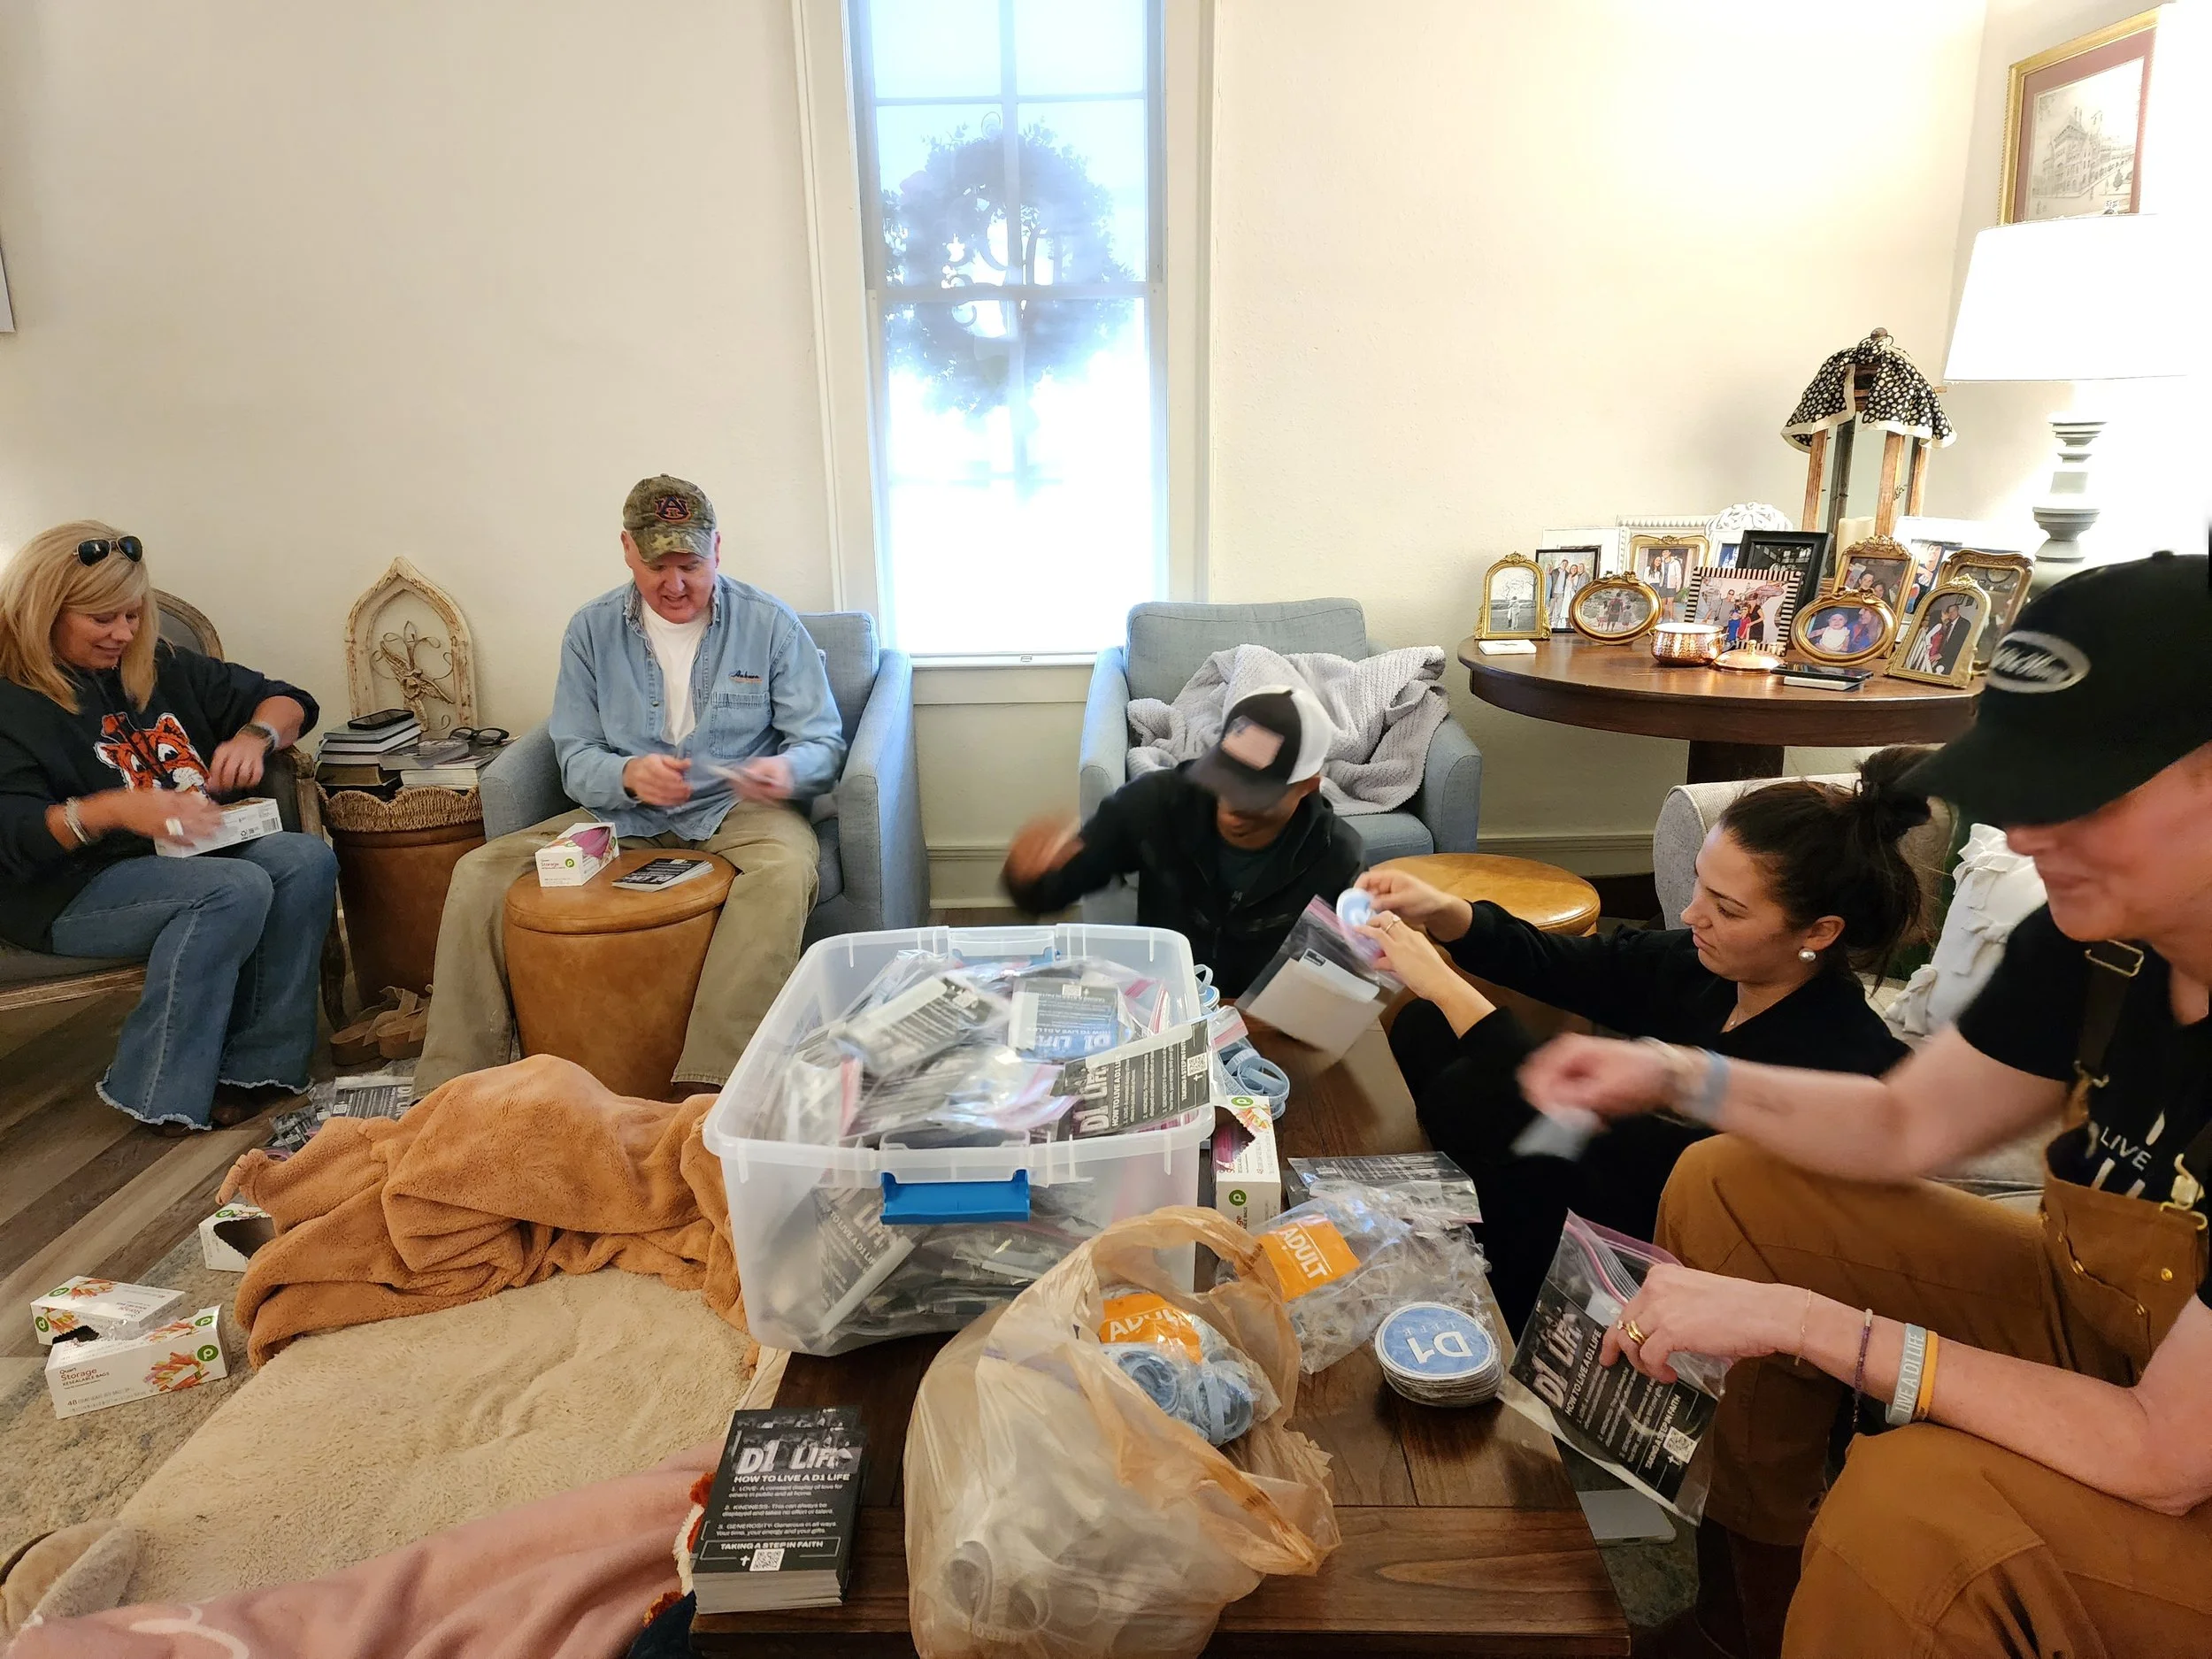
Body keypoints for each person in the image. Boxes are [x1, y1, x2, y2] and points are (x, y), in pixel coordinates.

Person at [1518, 553, 2212, 1659]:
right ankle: (1745, 1622)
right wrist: (1677, 1074)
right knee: (1731, 1181)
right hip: (2113, 1324)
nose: (2026, 837)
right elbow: (1903, 1123)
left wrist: (1807, 1323)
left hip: (2181, 1439)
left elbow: (2164, 1453)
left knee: (1916, 1508)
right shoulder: (2101, 941)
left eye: (2082, 793)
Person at [1357, 749, 1921, 1331]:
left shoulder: (1836, 1062)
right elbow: (1565, 963)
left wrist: (1447, 987)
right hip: (1603, 1159)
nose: (1691, 913)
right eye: (1700, 882)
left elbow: (1624, 1161)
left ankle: (1490, 1294)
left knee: (1470, 1084)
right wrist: (1446, 912)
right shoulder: (1705, 968)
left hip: (1648, 1235)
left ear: (1819, 932)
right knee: (1429, 1031)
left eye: (1727, 910)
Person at [415, 477, 845, 1097]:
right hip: (621, 814)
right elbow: (574, 756)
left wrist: (786, 770)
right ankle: (453, 1091)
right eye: (657, 566)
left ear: (717, 549)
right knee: (479, 872)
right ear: (627, 550)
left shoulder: (770, 624)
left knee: (783, 870)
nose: (675, 584)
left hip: (739, 809)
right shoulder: (590, 631)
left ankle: (711, 1092)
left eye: (690, 566)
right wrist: (626, 774)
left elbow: (822, 744)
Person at [0, 522, 334, 1133]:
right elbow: (16, 838)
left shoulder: (157, 664)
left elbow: (290, 700)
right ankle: (158, 1091)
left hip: (183, 856)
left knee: (303, 860)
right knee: (232, 888)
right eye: (103, 618)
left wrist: (255, 735)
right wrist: (117, 809)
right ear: (44, 610)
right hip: (61, 890)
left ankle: (258, 1070)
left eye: (133, 615)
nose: (124, 633)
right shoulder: (10, 701)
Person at [1001, 684, 1362, 995]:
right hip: (1159, 1005)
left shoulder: (1336, 856)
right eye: (1227, 780)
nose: (1231, 808)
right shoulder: (1157, 804)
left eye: (1255, 796)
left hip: (1262, 1025)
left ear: (1306, 786)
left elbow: (1342, 984)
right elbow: (1057, 888)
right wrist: (1028, 878)